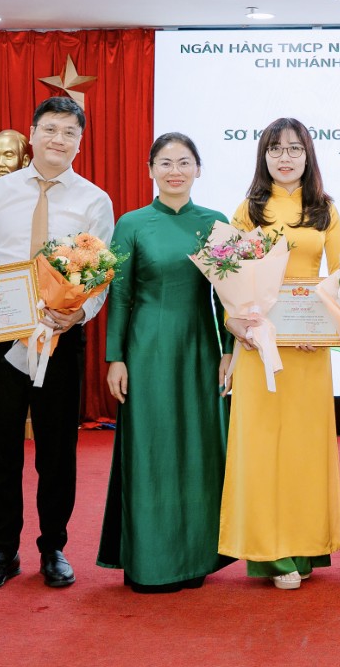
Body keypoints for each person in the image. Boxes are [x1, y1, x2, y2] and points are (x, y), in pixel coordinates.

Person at [0, 96, 115, 592]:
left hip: (59, 339)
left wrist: (79, 313)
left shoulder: (95, 200)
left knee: (58, 451)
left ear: (80, 142)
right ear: (32, 135)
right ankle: (3, 550)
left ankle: (53, 547)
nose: (59, 139)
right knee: (2, 450)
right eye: (50, 129)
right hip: (1, 335)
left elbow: (101, 276)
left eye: (70, 132)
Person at [96, 132, 237, 592]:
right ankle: (150, 562)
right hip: (147, 348)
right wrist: (116, 357)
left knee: (199, 446)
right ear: (150, 170)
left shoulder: (216, 223)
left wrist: (229, 350)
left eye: (184, 162)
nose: (175, 171)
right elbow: (119, 295)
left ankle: (195, 557)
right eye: (165, 163)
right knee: (150, 446)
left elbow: (227, 297)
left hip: (200, 348)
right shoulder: (131, 223)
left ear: (199, 169)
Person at [218, 118, 340, 590]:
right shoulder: (248, 209)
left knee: (304, 449)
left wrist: (328, 330)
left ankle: (305, 545)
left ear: (308, 155)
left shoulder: (325, 210)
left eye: (294, 148)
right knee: (261, 448)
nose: (285, 157)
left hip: (309, 350)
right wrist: (236, 326)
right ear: (264, 156)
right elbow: (229, 277)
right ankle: (271, 554)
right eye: (275, 149)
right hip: (259, 345)